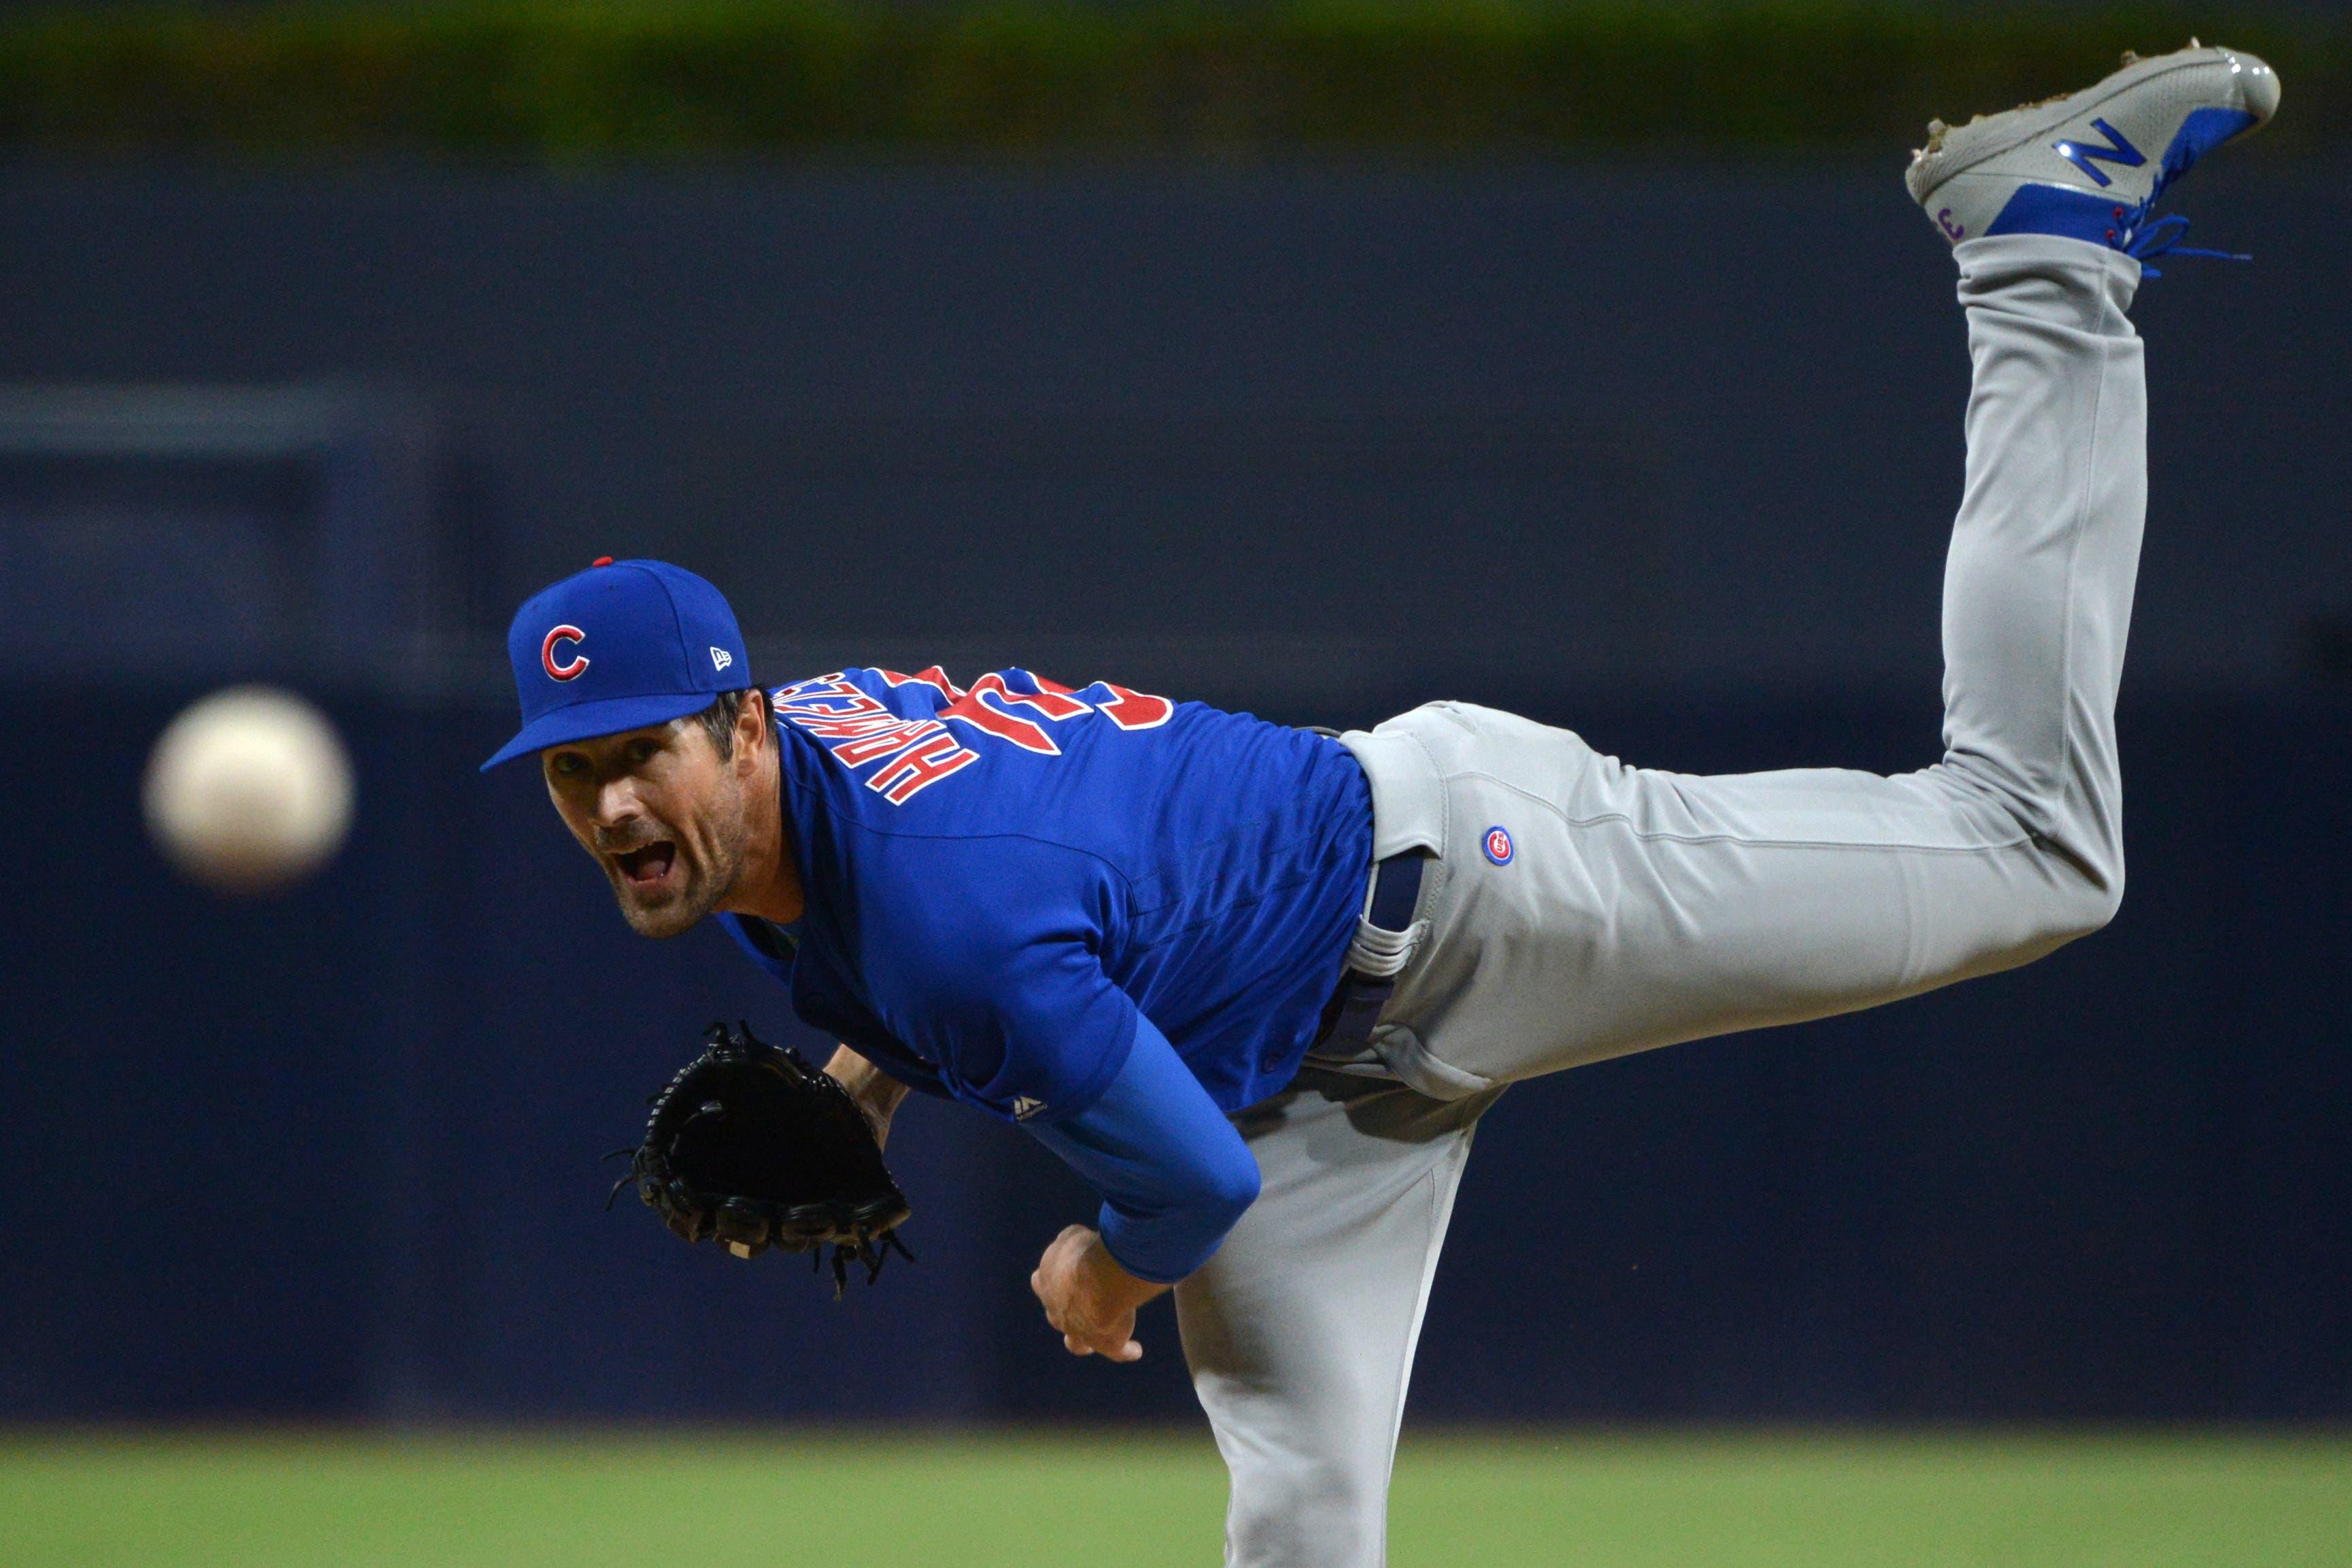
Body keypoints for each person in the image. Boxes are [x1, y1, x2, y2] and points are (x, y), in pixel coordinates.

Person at [483, 44, 2277, 1567]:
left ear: (734, 722)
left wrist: (1107, 1278)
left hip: (1475, 890)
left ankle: (2036, 253)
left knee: (2029, 847)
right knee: (1302, 1527)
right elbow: (953, 949)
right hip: (1303, 1078)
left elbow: (1170, 1176)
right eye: (576, 769)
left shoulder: (945, 901)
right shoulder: (794, 776)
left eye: (644, 746)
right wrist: (858, 1092)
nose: (616, 796)